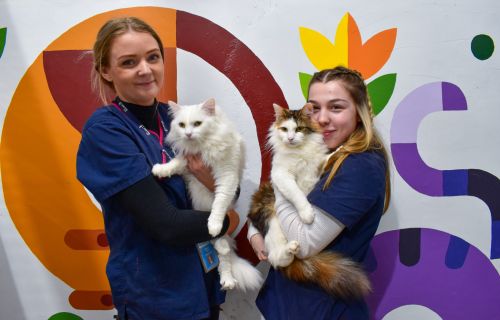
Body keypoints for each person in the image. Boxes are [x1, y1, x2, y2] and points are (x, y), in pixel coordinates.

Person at [76, 17, 238, 320]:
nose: (145, 69)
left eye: (153, 57)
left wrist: (213, 182)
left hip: (203, 284)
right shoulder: (106, 130)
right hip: (156, 296)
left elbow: (232, 182)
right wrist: (228, 218)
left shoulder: (176, 117)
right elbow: (166, 224)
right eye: (128, 62)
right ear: (106, 71)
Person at [248, 66, 391, 319]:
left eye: (336, 107)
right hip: (285, 303)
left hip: (320, 310)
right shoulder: (322, 150)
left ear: (359, 113)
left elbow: (303, 244)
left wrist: (281, 176)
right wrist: (257, 230)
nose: (322, 118)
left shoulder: (361, 166)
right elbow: (269, 201)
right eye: (314, 108)